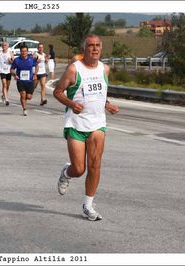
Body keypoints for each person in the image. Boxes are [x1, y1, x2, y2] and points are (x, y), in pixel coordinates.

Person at [53, 34, 119, 221]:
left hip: (98, 124)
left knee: (95, 165)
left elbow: (99, 94)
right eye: (91, 46)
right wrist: (71, 103)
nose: (95, 49)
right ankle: (67, 173)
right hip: (76, 123)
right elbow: (58, 92)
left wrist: (108, 104)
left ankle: (88, 205)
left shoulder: (105, 69)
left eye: (98, 45)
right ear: (85, 49)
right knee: (79, 169)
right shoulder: (74, 70)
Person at [10, 45, 39, 116]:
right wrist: (14, 75)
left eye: (25, 51)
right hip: (20, 81)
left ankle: (25, 99)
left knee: (29, 97)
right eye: (22, 51)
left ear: (27, 51)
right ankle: (24, 109)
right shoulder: (17, 60)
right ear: (20, 52)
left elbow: (36, 66)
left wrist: (35, 73)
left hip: (29, 81)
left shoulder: (31, 59)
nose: (23, 52)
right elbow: (12, 69)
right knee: (23, 94)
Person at [0, 42, 14, 106]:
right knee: (4, 84)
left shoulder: (10, 52)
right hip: (2, 70)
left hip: (9, 71)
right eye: (3, 45)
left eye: (5, 45)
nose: (4, 46)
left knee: (8, 85)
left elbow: (14, 62)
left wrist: (11, 61)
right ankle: (6, 99)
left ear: (8, 46)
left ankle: (3, 95)